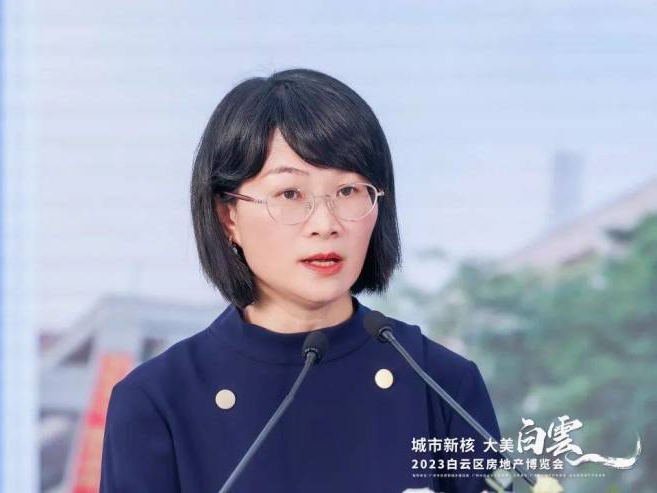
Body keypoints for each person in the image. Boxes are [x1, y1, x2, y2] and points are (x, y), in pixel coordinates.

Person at [100, 68, 510, 493]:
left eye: (349, 191)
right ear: (228, 216)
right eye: (290, 194)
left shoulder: (441, 383)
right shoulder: (156, 400)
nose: (325, 223)